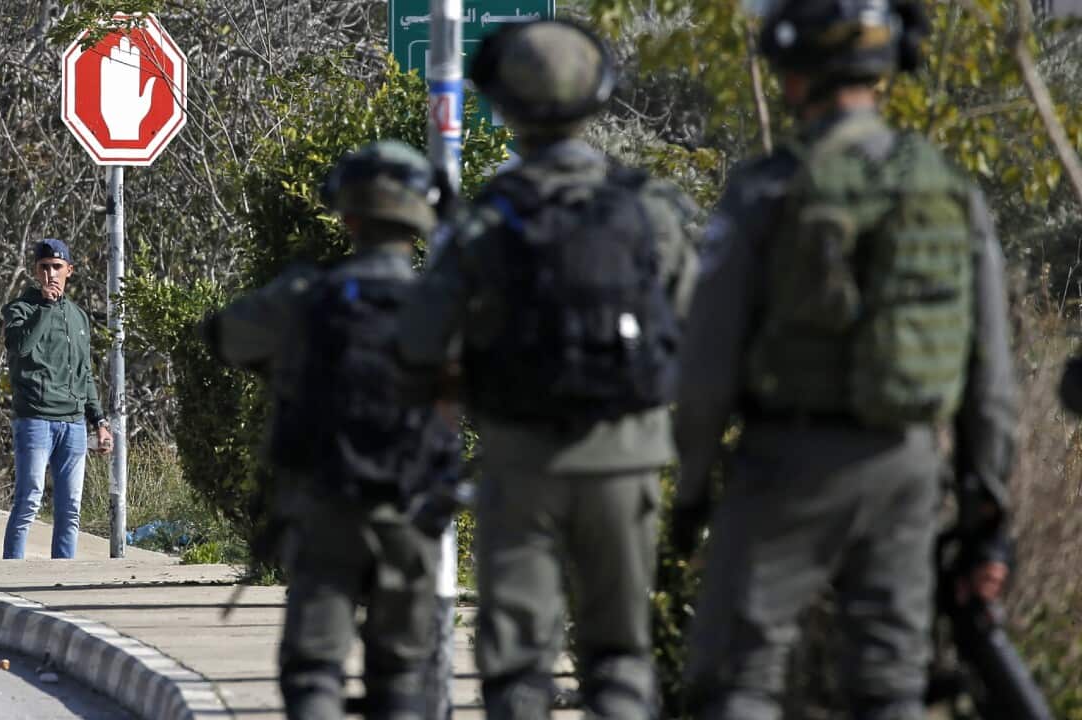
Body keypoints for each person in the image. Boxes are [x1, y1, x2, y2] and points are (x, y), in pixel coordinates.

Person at [670, 2, 1018, 718]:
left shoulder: (767, 189)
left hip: (786, 464)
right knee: (889, 685)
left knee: (741, 675)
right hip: (907, 466)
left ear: (796, 79)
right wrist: (987, 510)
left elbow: (706, 365)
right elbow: (991, 380)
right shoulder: (951, 190)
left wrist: (692, 485)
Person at [398, 19, 700, 720]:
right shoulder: (646, 209)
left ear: (505, 107)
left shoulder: (485, 220)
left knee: (518, 661)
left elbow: (415, 339)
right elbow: (693, 322)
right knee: (620, 654)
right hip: (627, 460)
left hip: (520, 460)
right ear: (595, 100)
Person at [201, 140, 459, 720]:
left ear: (348, 216)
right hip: (412, 510)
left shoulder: (306, 296)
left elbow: (222, 336)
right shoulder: (440, 304)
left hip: (325, 508)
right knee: (403, 675)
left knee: (314, 668)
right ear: (421, 218)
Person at [1, 238, 113, 560]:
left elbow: (85, 373)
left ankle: (61, 574)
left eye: (57, 267)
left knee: (70, 507)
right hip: (35, 419)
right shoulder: (21, 308)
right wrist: (46, 308)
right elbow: (20, 347)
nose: (51, 274)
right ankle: (12, 571)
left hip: (73, 424)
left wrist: (100, 422)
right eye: (44, 267)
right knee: (29, 500)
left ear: (69, 271)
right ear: (36, 272)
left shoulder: (78, 317)